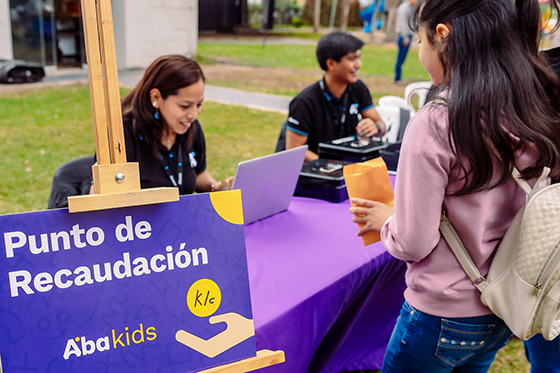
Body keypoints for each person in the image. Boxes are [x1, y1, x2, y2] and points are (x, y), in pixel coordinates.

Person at [348, 0, 560, 372]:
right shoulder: (536, 103)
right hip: (503, 304)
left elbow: (413, 242)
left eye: (419, 41)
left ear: (442, 35)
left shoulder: (436, 120)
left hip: (440, 313)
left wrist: (388, 221)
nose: (419, 51)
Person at [93, 55, 232, 195]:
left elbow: (197, 173)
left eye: (199, 104)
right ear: (156, 98)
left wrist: (217, 187)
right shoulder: (121, 136)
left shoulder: (191, 128)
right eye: (185, 106)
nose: (194, 114)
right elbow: (97, 195)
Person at [285, 32, 386, 162]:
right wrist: (332, 166)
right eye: (352, 58)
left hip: (348, 169)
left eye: (358, 57)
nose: (358, 64)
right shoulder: (305, 102)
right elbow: (294, 150)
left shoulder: (358, 88)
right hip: (317, 175)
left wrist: (375, 128)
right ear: (331, 64)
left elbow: (381, 125)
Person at [394, 0, 418, 84]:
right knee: (400, 58)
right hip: (404, 36)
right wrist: (405, 37)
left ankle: (398, 77)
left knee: (402, 58)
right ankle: (397, 78)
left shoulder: (410, 7)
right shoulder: (403, 8)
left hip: (407, 36)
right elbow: (403, 23)